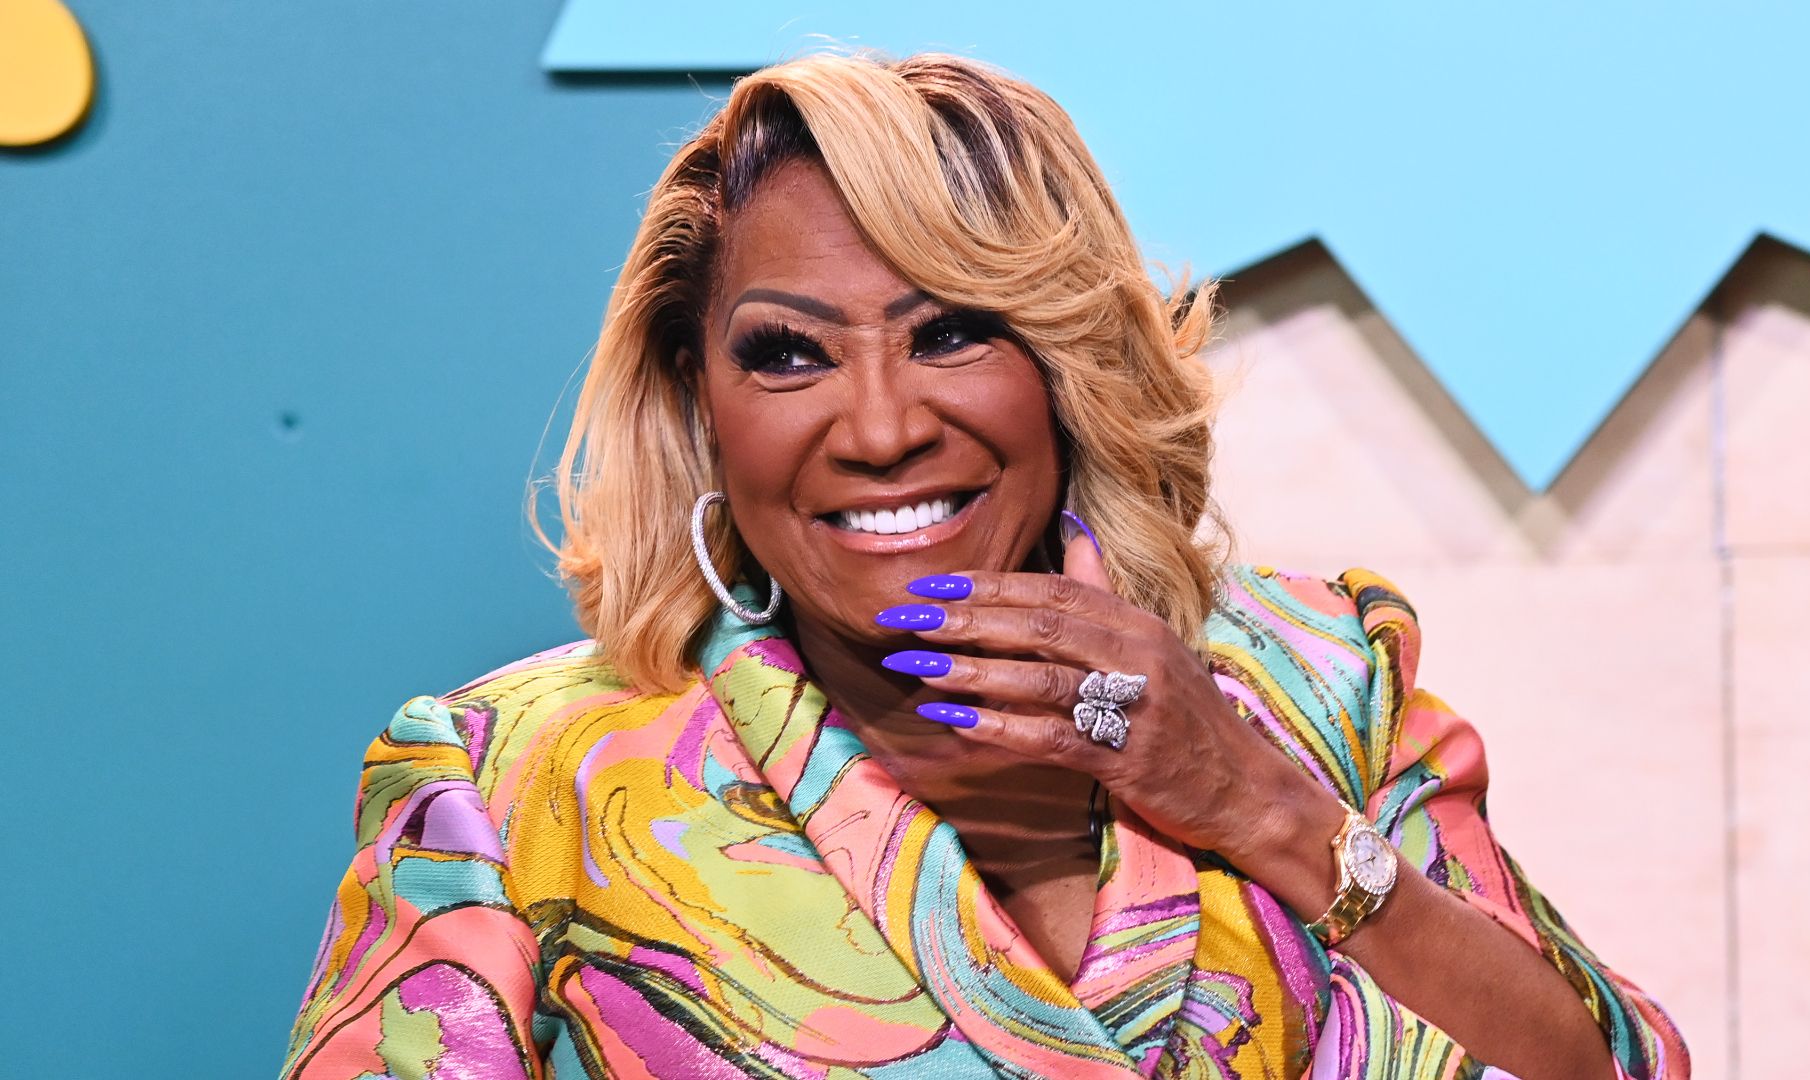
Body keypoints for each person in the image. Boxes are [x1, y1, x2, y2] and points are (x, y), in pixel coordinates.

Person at [280, 53, 1688, 1079]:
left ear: (1067, 361)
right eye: (788, 353)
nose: (881, 427)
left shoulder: (1321, 676)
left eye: (952, 331)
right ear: (698, 399)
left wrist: (1254, 801)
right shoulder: (514, 781)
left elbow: (1604, 1064)